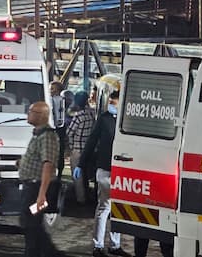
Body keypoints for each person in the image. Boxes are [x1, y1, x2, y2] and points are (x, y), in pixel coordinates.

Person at [76, 90, 131, 257]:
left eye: (114, 103)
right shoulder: (104, 119)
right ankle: (98, 246)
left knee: (118, 209)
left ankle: (115, 245)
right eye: (111, 103)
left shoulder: (126, 120)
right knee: (104, 207)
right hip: (106, 169)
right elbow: (92, 141)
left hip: (122, 170)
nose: (112, 106)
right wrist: (81, 164)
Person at [17, 101, 65, 257]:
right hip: (31, 188)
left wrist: (41, 195)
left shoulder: (47, 136)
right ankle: (45, 252)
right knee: (31, 223)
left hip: (36, 189)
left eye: (30, 111)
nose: (28, 114)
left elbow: (48, 165)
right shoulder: (38, 133)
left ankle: (42, 253)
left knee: (32, 223)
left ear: (41, 115)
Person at [66, 90, 95, 204]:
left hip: (77, 150)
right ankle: (88, 193)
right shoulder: (91, 113)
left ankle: (81, 199)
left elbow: (69, 132)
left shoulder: (78, 116)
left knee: (77, 176)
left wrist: (70, 146)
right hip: (88, 149)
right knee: (86, 173)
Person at [49, 81, 67, 178]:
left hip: (59, 129)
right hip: (56, 128)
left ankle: (59, 173)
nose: (50, 91)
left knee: (59, 152)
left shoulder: (59, 100)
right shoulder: (54, 100)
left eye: (52, 89)